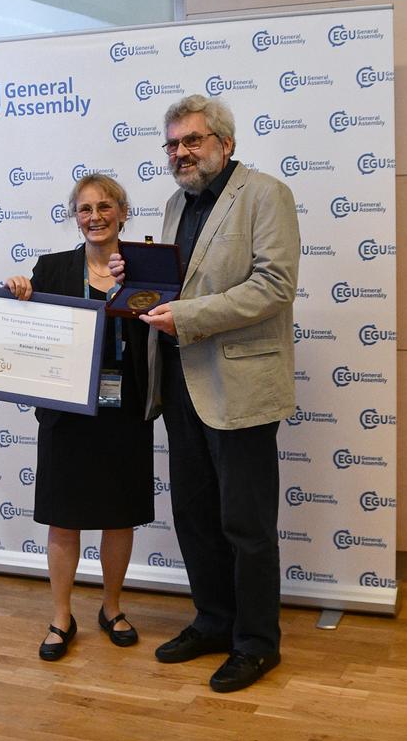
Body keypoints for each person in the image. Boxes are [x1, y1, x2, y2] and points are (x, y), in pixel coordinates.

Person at [110, 94, 300, 692]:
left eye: (191, 140)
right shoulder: (175, 202)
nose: (180, 153)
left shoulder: (265, 194)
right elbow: (173, 282)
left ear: (225, 143)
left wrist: (186, 316)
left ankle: (256, 642)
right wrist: (131, 281)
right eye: (171, 144)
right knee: (194, 516)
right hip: (180, 385)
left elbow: (274, 286)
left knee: (245, 524)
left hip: (239, 384)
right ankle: (214, 622)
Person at [6, 174, 154, 661]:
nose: (95, 216)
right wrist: (17, 291)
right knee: (64, 521)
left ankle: (111, 608)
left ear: (123, 212)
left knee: (119, 518)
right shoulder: (52, 268)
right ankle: (61, 616)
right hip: (67, 414)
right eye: (85, 208)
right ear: (76, 216)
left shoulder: (144, 269)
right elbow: (20, 320)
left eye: (105, 206)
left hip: (125, 410)